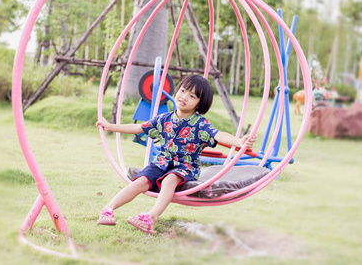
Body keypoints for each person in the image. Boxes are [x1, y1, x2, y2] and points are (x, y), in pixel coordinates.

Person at [96, 75, 256, 234]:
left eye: (192, 96)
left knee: (169, 179)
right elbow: (139, 128)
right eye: (183, 90)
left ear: (200, 103)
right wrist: (110, 127)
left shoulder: (200, 124)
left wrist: (239, 142)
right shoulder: (164, 119)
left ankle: (151, 218)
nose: (184, 97)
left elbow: (219, 135)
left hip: (185, 167)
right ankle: (108, 209)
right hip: (161, 163)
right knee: (141, 181)